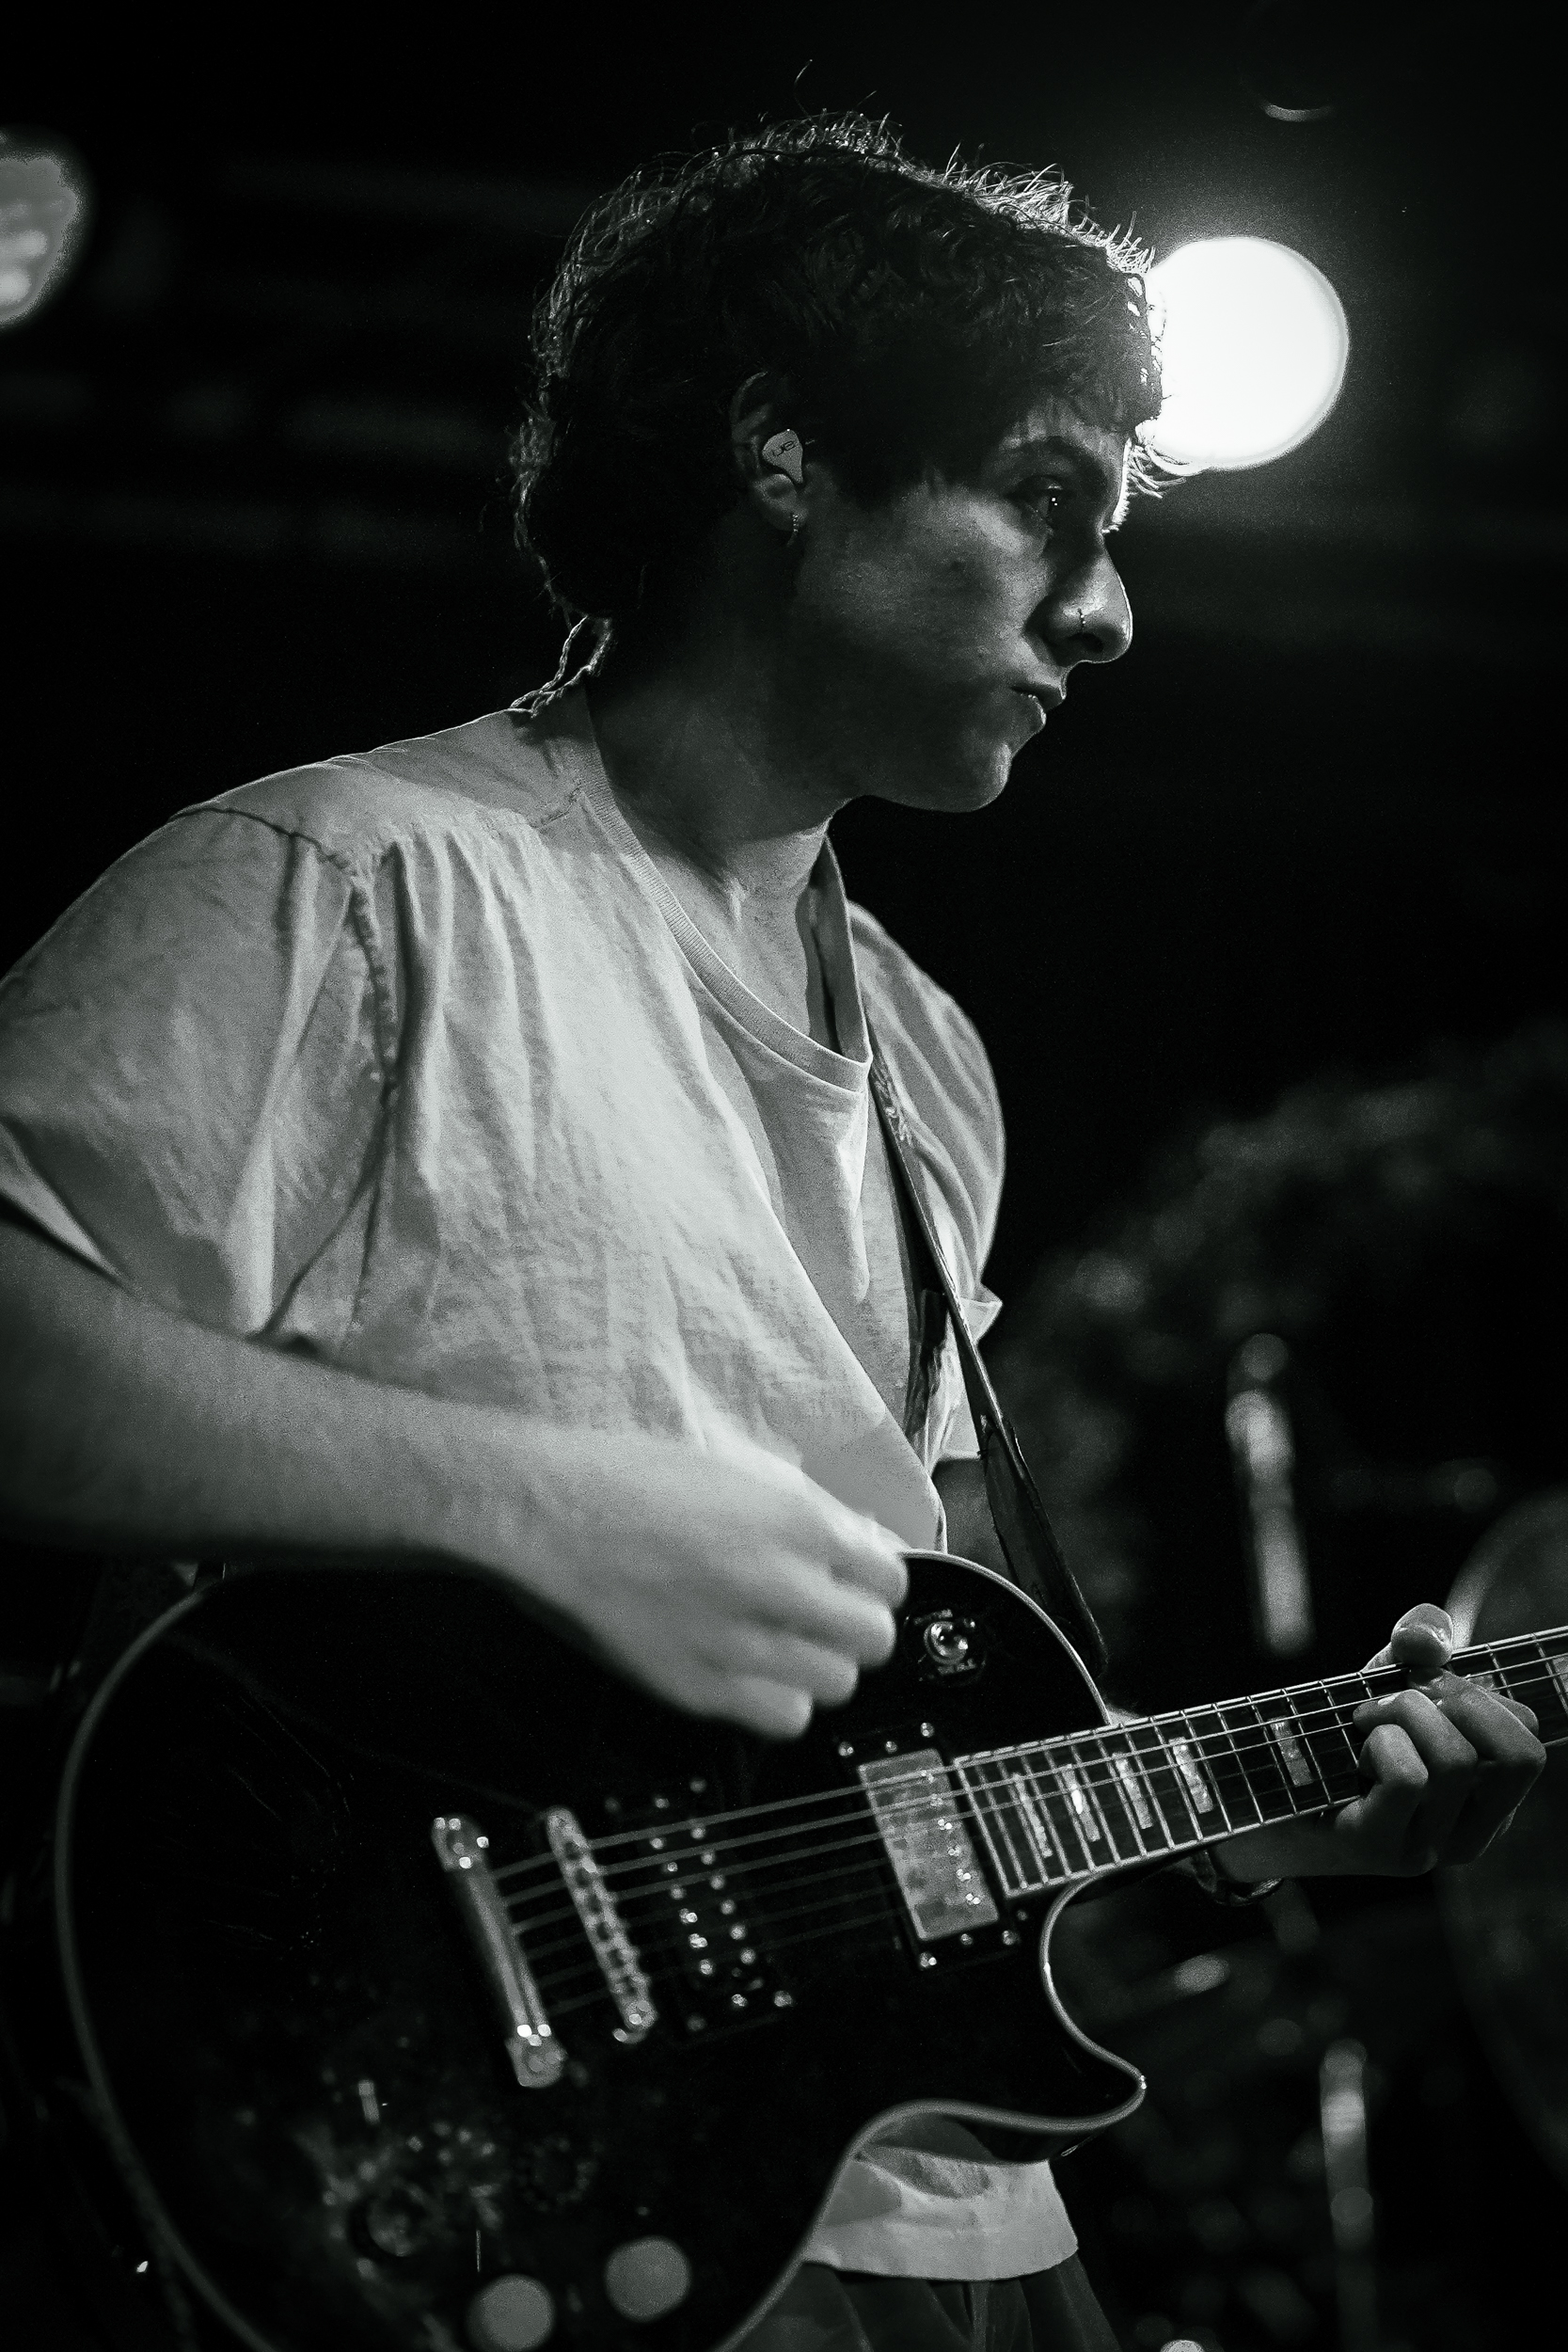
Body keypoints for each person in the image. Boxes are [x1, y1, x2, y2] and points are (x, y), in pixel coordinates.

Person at [0, 116, 1544, 2352]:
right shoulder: (358, 887)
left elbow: (927, 1718)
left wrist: (1275, 1815)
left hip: (949, 2220)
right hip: (508, 2187)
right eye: (1046, 501)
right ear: (782, 451)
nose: (1107, 611)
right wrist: (548, 1504)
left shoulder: (927, 1054)